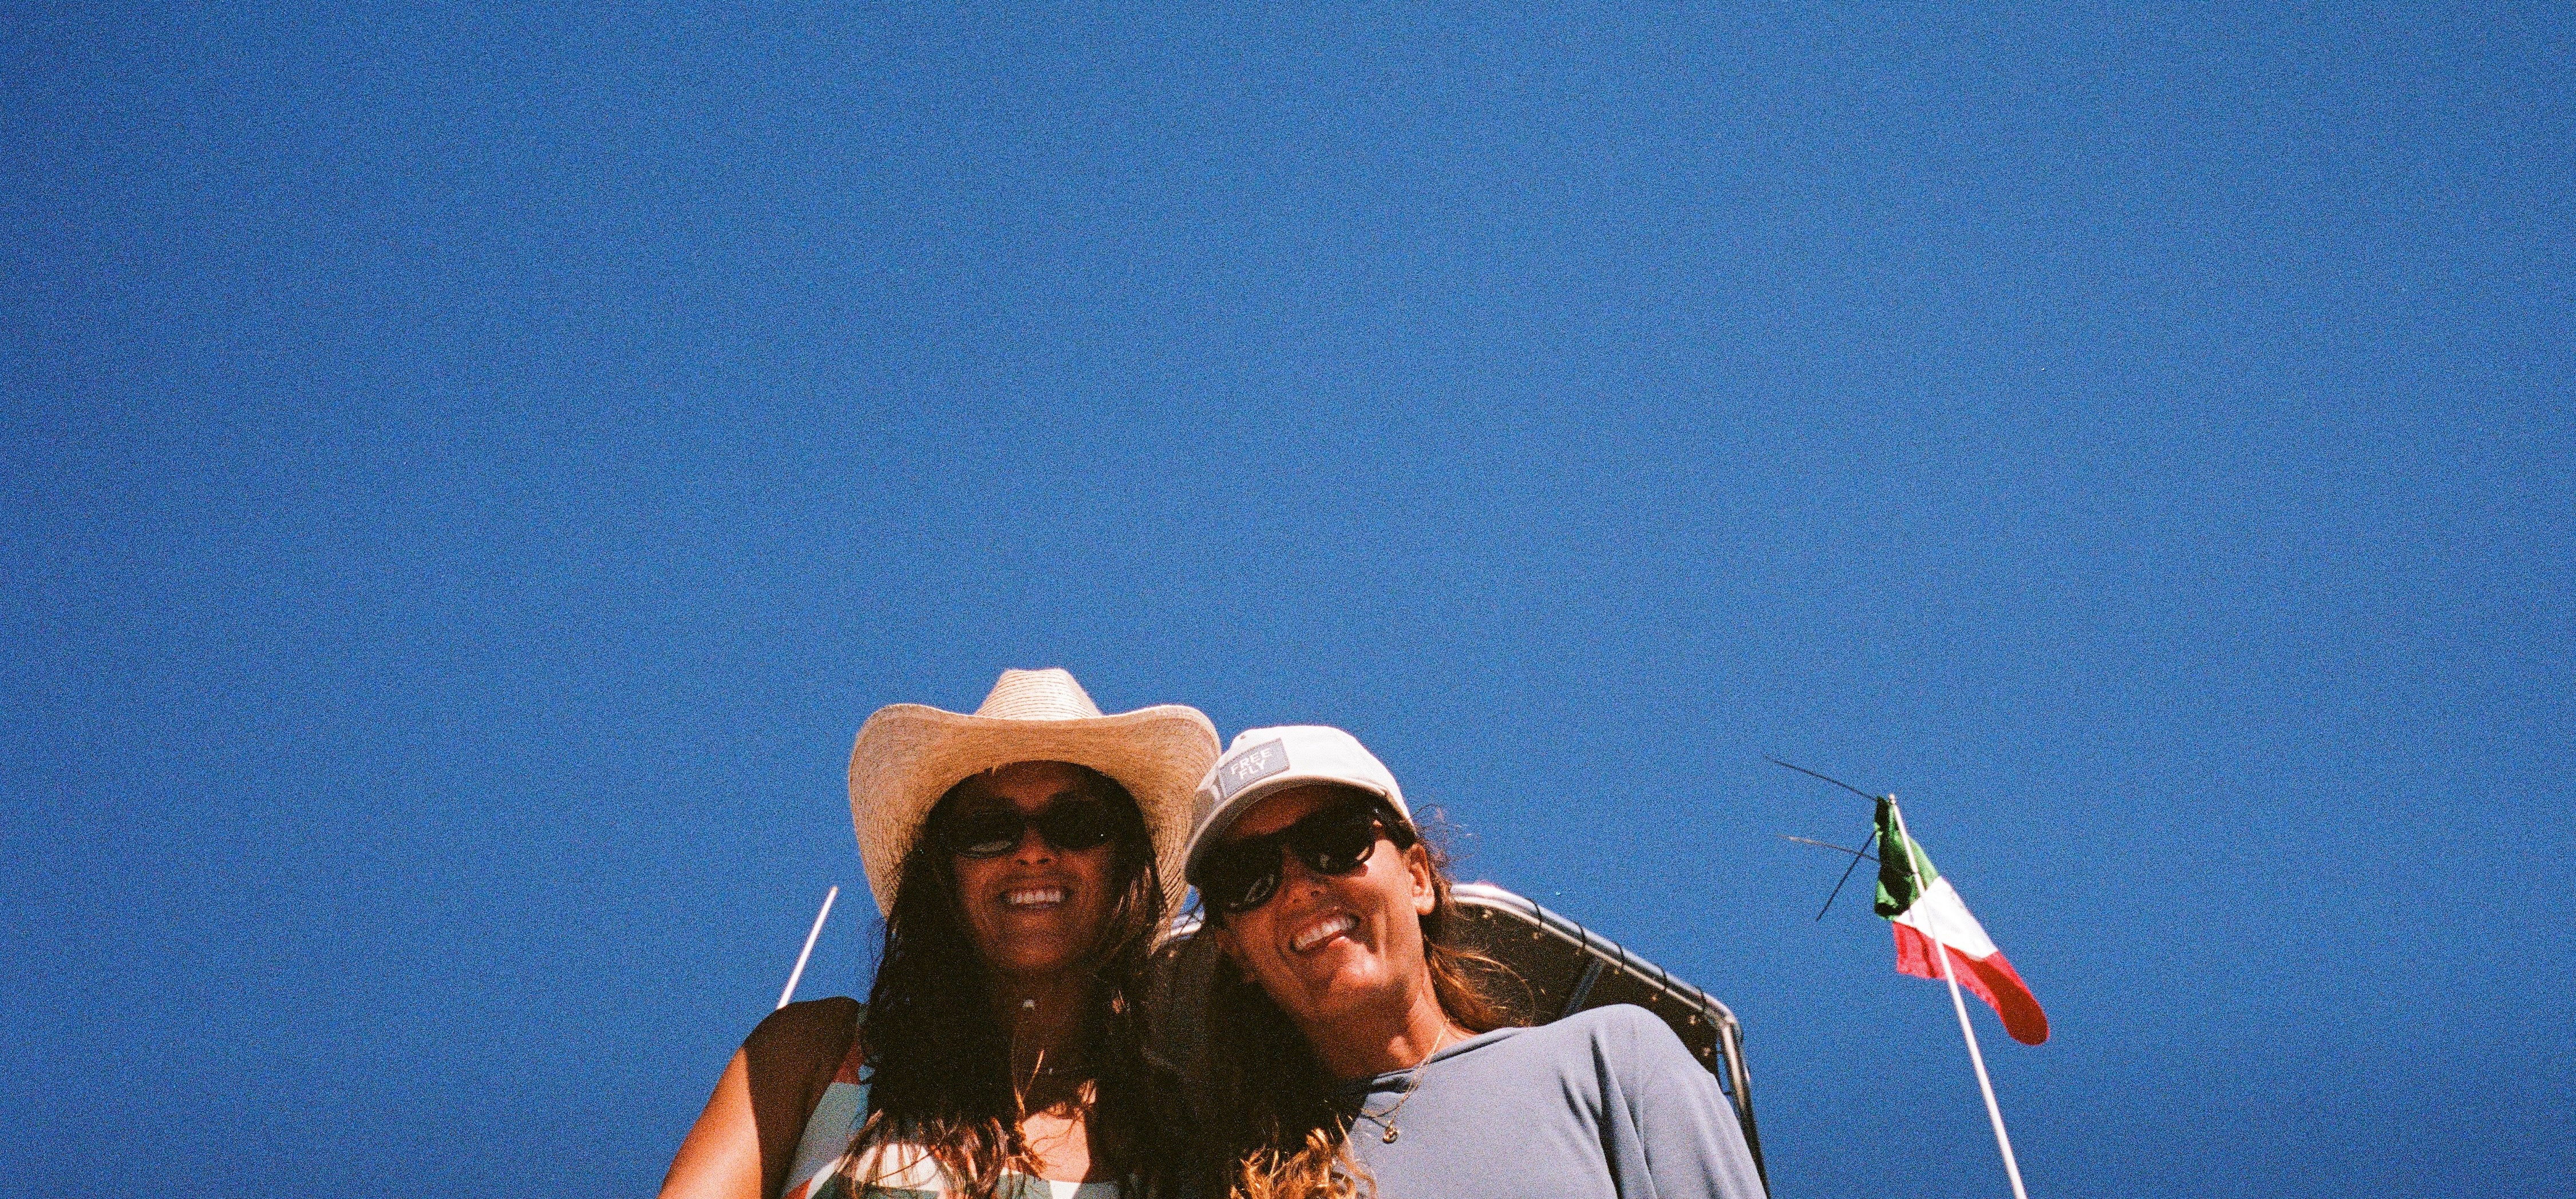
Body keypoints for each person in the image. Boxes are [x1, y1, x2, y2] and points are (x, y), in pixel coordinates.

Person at [659, 668, 1219, 1199]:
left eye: (1076, 824)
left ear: (1124, 866)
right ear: (942, 873)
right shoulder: (816, 1053)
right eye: (988, 829)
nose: (1033, 851)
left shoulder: (1176, 1131)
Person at [1182, 726, 1769, 1199]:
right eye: (1248, 875)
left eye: (1335, 839)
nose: (1300, 885)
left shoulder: (1611, 1062)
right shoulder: (1228, 1183)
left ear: (1417, 879)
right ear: (1236, 951)